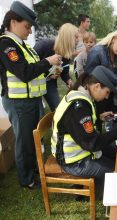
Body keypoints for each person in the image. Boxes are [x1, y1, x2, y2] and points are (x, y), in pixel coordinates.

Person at [0, 1, 61, 189]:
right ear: (13, 22)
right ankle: (26, 179)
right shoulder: (6, 45)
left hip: (32, 100)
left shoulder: (22, 45)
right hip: (18, 103)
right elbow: (24, 72)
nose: (29, 31)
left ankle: (33, 168)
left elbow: (34, 72)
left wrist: (50, 73)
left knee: (35, 138)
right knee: (25, 141)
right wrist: (47, 61)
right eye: (27, 27)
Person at [51, 65, 117, 181]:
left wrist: (100, 118)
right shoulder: (79, 107)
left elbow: (80, 128)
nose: (107, 97)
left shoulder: (80, 94)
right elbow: (93, 144)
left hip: (81, 151)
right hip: (74, 161)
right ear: (97, 86)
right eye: (107, 92)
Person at [85, 27, 117, 121]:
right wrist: (111, 85)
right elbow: (89, 79)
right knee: (97, 122)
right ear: (114, 38)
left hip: (112, 98)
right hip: (99, 98)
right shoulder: (97, 52)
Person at [34, 23, 78, 112]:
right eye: (76, 37)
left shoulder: (67, 53)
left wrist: (68, 80)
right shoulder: (44, 46)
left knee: (58, 109)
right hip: (34, 84)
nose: (78, 41)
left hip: (49, 83)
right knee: (38, 113)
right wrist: (47, 73)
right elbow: (30, 68)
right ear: (68, 38)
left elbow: (65, 72)